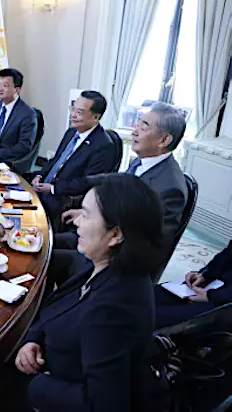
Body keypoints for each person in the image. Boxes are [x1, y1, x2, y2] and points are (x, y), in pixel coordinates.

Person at [15, 174, 163, 412]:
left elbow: (104, 405)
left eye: (85, 215)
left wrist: (38, 386)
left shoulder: (112, 310)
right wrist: (33, 338)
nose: (76, 222)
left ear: (115, 235)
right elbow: (61, 306)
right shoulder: (103, 263)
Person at [50, 102, 188, 285]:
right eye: (138, 124)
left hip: (111, 263)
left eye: (144, 127)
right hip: (99, 237)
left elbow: (149, 247)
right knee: (44, 240)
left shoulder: (169, 187)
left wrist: (96, 227)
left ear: (164, 140)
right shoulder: (142, 162)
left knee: (45, 258)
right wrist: (89, 214)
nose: (134, 131)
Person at [31, 91, 115, 221]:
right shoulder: (71, 132)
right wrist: (40, 176)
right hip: (44, 187)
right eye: (73, 109)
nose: (73, 115)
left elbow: (87, 182)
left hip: (63, 198)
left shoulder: (104, 145)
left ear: (95, 117)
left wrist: (53, 189)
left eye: (79, 112)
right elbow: (56, 160)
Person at [155, 240, 232, 329]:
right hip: (212, 285)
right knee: (146, 298)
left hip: (223, 302)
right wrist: (205, 274)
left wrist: (213, 296)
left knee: (153, 317)